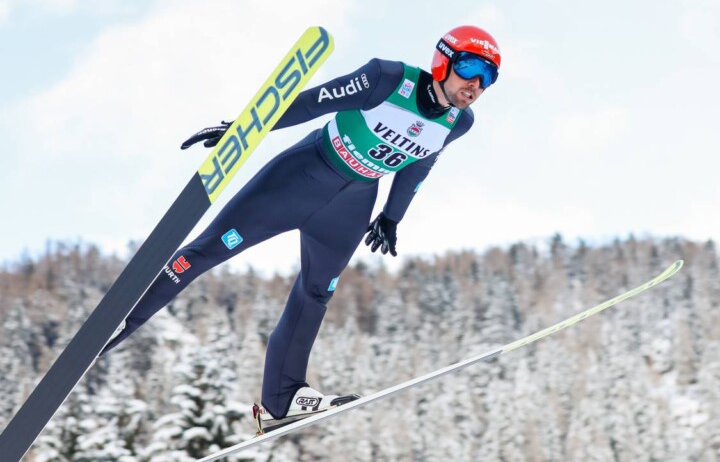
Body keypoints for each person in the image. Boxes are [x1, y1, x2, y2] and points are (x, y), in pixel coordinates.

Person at [101, 25, 501, 431]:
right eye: (470, 68)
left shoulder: (459, 122)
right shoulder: (388, 79)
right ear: (443, 60)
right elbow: (311, 104)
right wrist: (243, 128)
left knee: (317, 293)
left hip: (351, 206)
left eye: (488, 78)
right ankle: (123, 317)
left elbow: (420, 164)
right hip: (301, 177)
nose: (475, 84)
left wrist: (392, 216)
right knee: (210, 249)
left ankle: (282, 397)